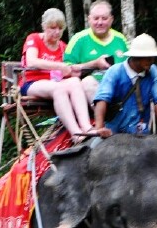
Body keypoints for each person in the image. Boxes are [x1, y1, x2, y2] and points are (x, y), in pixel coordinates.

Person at [20, 8, 110, 142]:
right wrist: (60, 66)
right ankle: (75, 133)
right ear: (44, 26)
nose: (57, 32)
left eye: (60, 28)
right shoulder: (34, 39)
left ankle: (86, 128)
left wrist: (75, 70)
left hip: (55, 82)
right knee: (59, 89)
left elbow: (68, 70)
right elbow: (31, 61)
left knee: (75, 82)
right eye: (52, 28)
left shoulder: (63, 47)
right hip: (32, 82)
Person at [92, 33, 157, 138]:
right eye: (148, 58)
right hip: (114, 132)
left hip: (140, 132)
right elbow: (102, 98)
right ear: (136, 57)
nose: (152, 61)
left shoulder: (153, 70)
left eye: (153, 58)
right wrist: (100, 129)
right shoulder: (115, 71)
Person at [64, 0, 129, 102]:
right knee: (88, 82)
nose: (100, 22)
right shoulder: (78, 39)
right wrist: (94, 64)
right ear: (89, 19)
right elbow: (65, 70)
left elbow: (131, 67)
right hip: (88, 91)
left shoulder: (121, 39)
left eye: (104, 18)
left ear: (111, 20)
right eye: (96, 18)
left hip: (119, 87)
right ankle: (106, 114)